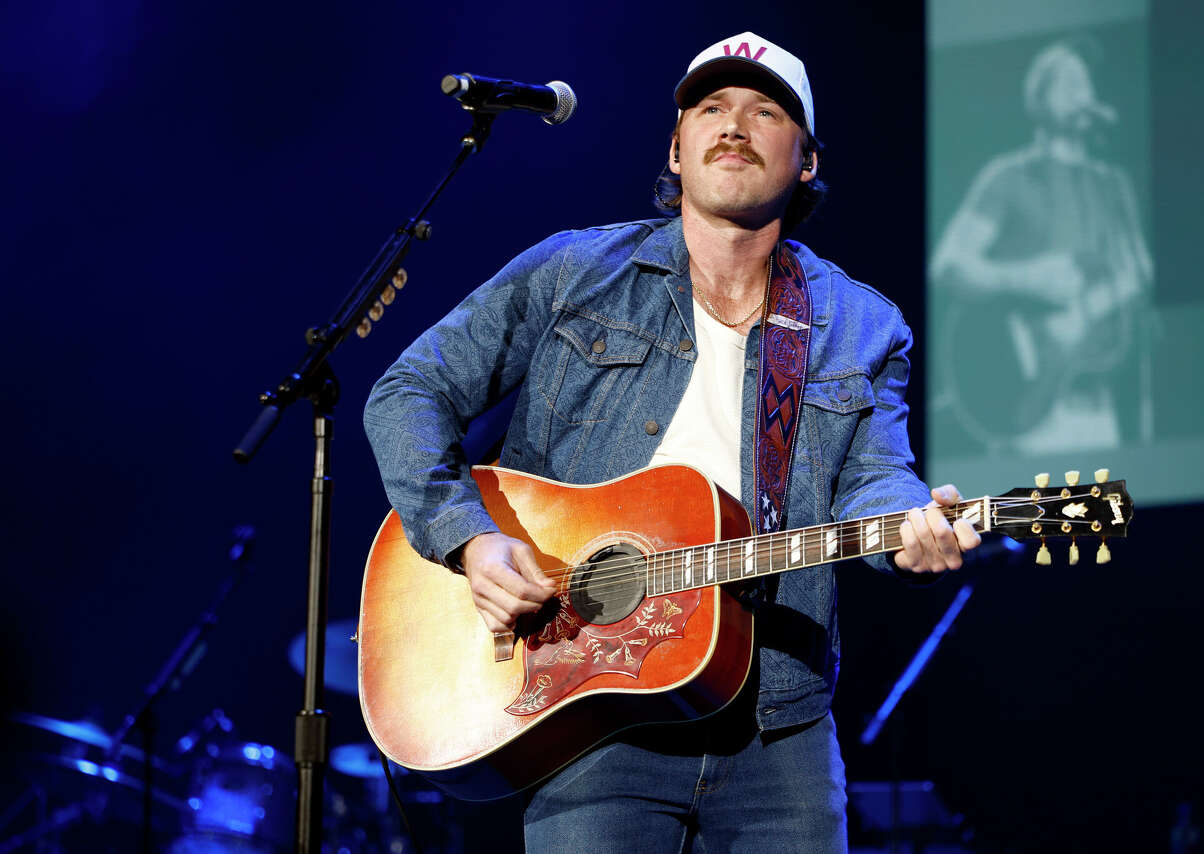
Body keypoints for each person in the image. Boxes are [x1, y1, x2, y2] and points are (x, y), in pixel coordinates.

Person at [365, 31, 980, 853]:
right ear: (676, 150)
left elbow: (878, 477)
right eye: (711, 108)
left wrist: (911, 527)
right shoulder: (574, 273)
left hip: (778, 721)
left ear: (806, 161)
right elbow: (408, 392)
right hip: (587, 704)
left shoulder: (863, 325)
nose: (735, 126)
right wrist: (470, 538)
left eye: (766, 112)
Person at [929, 39, 1154, 453]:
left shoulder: (1113, 185)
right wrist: (1030, 278)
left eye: (1084, 82)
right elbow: (949, 265)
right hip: (1028, 410)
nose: (1080, 91)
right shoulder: (1009, 177)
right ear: (1040, 97)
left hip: (1097, 405)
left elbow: (1140, 272)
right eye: (1067, 82)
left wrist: (1097, 303)